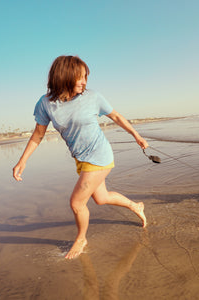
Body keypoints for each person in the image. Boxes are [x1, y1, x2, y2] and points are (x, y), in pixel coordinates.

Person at [13, 55, 147, 259]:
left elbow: (116, 116)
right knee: (101, 198)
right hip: (81, 159)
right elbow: (38, 134)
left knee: (76, 203)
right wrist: (22, 161)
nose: (84, 81)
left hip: (99, 155)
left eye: (86, 77)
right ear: (64, 77)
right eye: (80, 77)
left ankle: (81, 239)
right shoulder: (46, 103)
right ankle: (135, 205)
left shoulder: (93, 97)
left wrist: (136, 135)